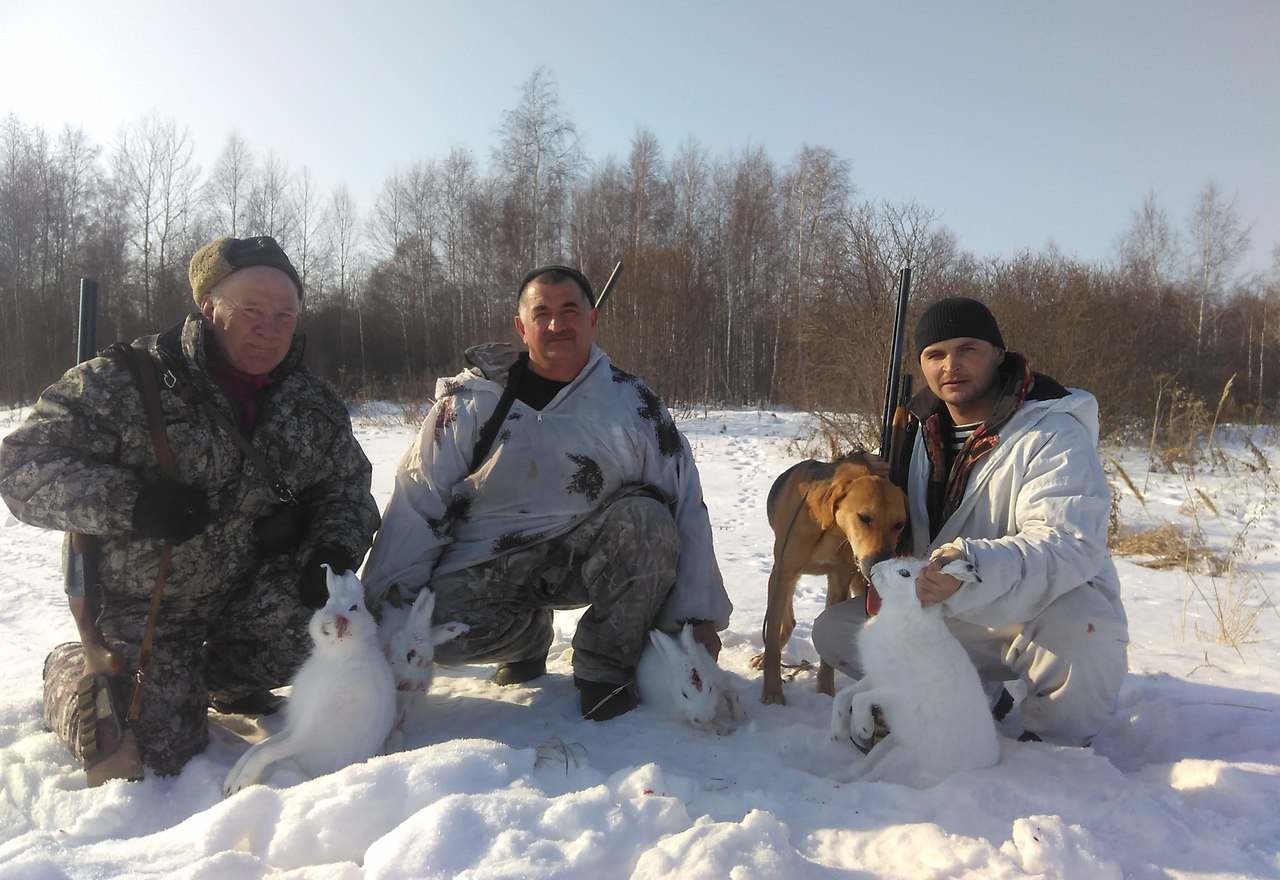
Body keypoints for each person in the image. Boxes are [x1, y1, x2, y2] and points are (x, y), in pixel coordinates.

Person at [0, 235, 380, 776]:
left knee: (345, 637)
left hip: (249, 597)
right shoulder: (123, 382)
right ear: (208, 307)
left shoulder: (311, 403)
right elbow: (20, 468)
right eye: (251, 311)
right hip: (149, 606)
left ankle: (214, 681)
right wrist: (136, 504)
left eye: (284, 315)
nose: (269, 330)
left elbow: (347, 489)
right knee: (160, 750)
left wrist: (333, 548)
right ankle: (76, 667)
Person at [362, 264, 731, 720]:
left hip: (596, 554)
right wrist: (386, 618)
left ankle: (605, 667)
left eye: (570, 310)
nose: (557, 324)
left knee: (649, 521)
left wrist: (697, 616)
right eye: (542, 313)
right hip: (488, 560)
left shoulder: (634, 405)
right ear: (521, 326)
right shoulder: (473, 402)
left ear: (592, 318)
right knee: (434, 631)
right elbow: (418, 502)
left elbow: (686, 504)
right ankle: (527, 640)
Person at [813, 296, 1128, 745]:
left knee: (1084, 636)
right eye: (935, 355)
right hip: (953, 607)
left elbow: (1069, 542)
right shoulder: (918, 432)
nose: (951, 366)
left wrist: (970, 567)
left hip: (1039, 609)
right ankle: (972, 695)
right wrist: (858, 476)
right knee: (838, 631)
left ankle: (1055, 750)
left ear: (999, 354)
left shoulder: (1053, 432)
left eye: (967, 349)